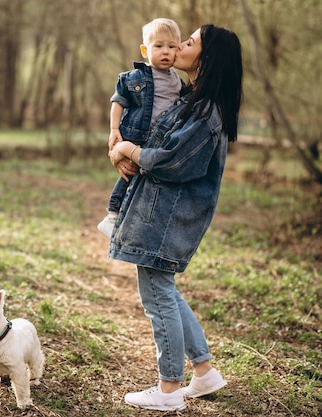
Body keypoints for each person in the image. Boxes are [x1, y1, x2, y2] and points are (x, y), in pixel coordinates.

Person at [107, 24, 243, 411]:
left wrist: (132, 151)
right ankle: (203, 372)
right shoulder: (190, 99)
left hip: (166, 216)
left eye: (189, 42)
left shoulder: (206, 111)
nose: (180, 47)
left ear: (206, 57)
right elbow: (147, 138)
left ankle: (168, 390)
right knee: (164, 289)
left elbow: (172, 162)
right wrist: (121, 148)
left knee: (157, 296)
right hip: (158, 209)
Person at [97, 18, 183, 237]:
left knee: (143, 181)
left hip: (159, 140)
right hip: (137, 135)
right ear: (145, 50)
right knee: (128, 174)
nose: (166, 52)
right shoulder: (136, 77)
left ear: (179, 49)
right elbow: (119, 101)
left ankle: (127, 219)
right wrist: (114, 129)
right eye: (159, 46)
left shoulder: (178, 82)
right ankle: (112, 215)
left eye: (171, 46)